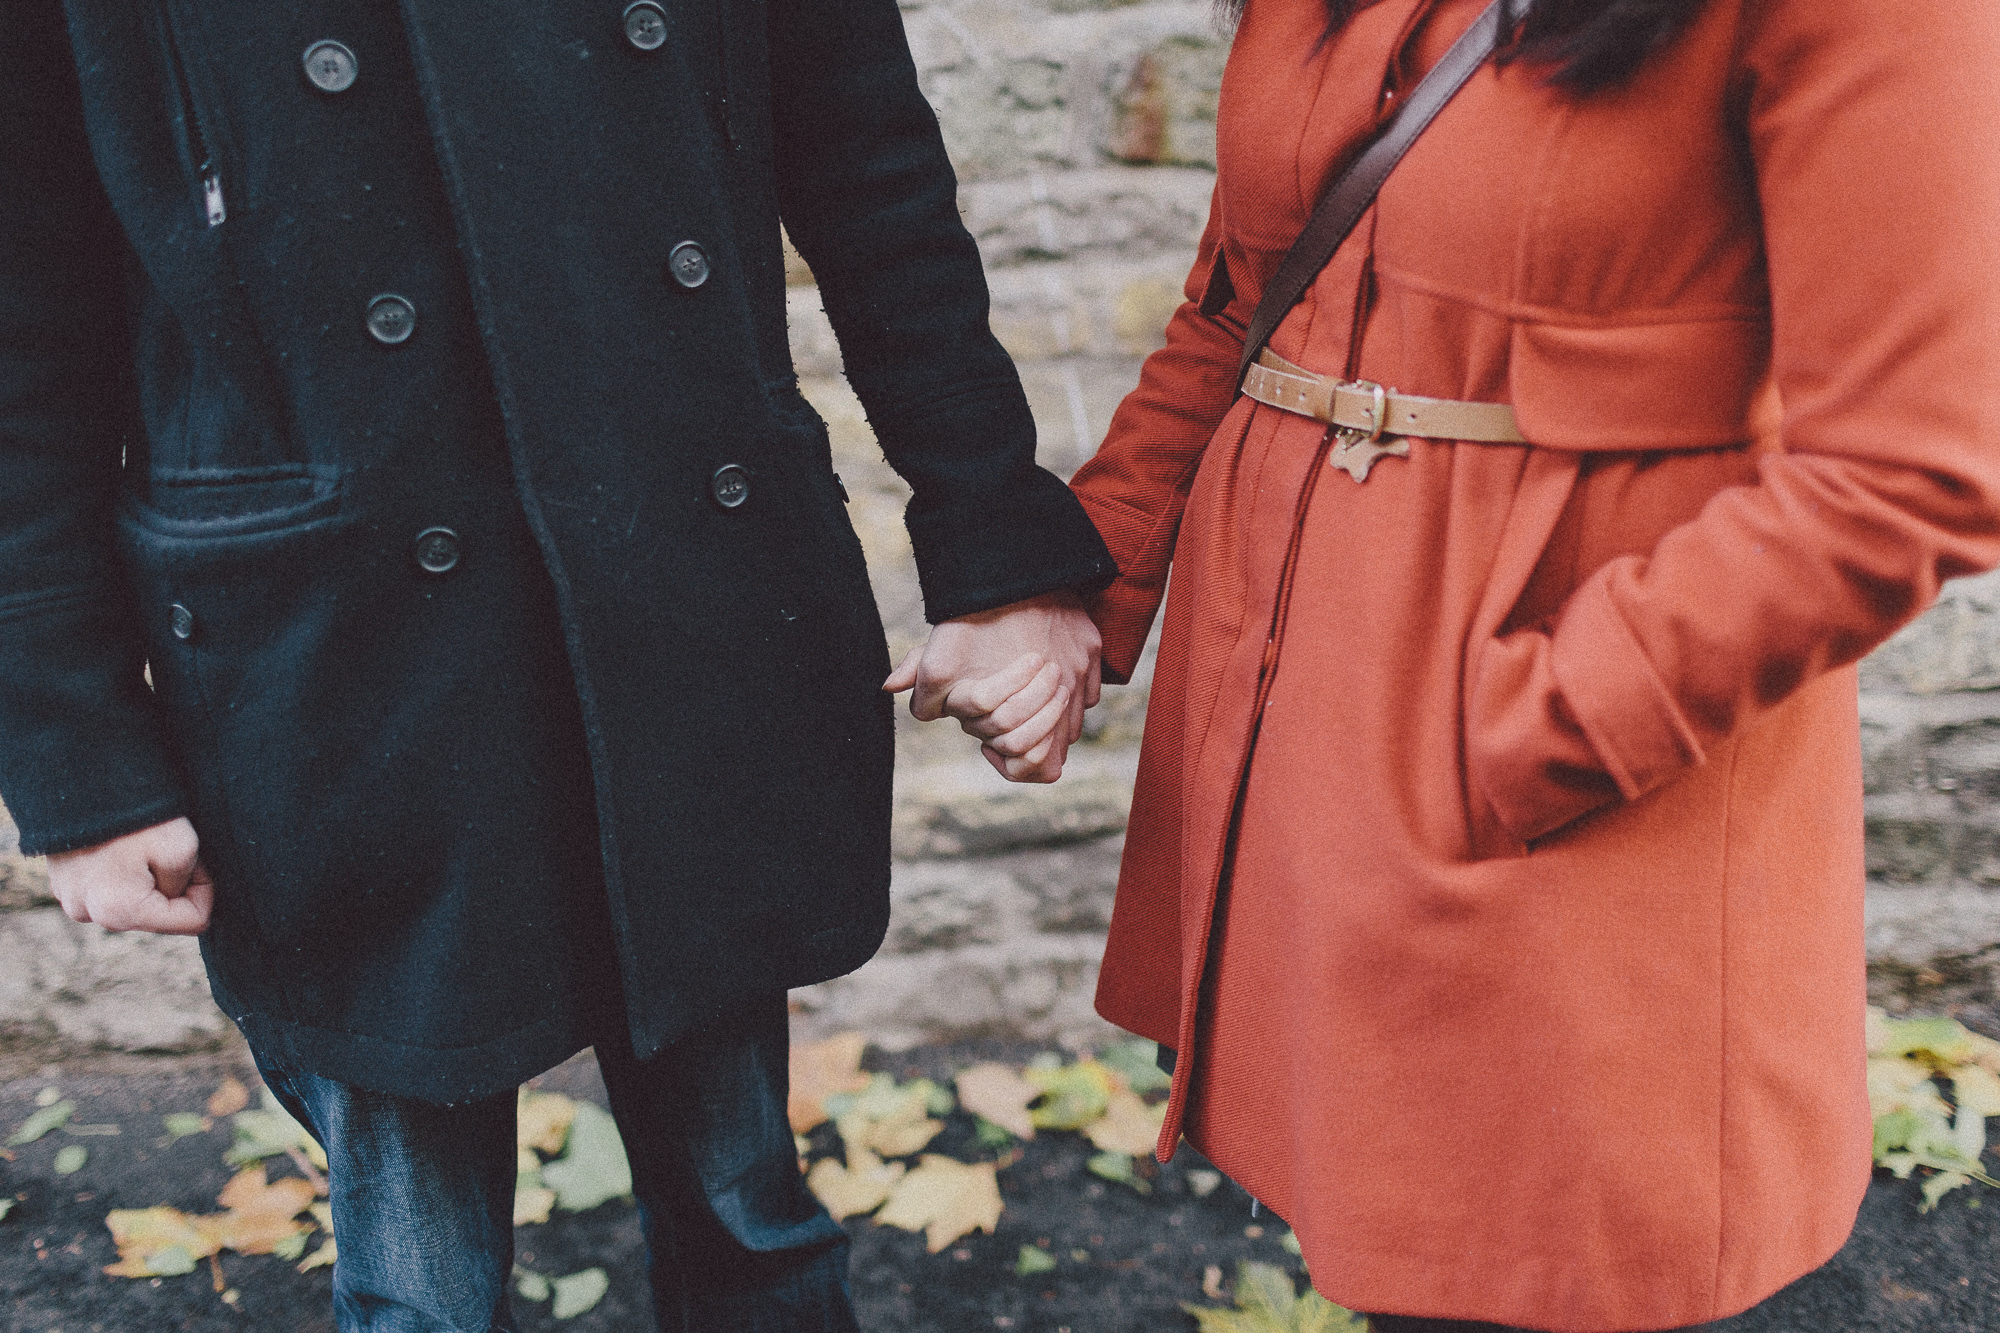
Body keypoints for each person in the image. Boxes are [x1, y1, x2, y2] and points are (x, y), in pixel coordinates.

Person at [0, 2, 1109, 1329]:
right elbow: (25, 322)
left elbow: (871, 167)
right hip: (337, 660)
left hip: (674, 601)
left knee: (748, 1215)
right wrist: (80, 761)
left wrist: (1000, 550)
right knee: (421, 1286)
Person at [1064, 0, 2000, 1330]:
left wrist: (1552, 724)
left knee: (1541, 1277)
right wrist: (1074, 582)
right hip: (1303, 768)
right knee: (1397, 1267)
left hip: (1572, 792)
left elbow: (1906, 477)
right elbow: (1248, 307)